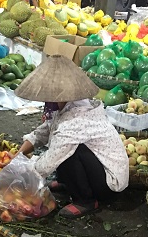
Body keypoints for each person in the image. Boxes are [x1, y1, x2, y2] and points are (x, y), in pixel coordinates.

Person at [15, 55, 129, 218]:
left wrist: (21, 176)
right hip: (96, 168)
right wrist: (20, 153)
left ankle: (86, 200)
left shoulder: (77, 119)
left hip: (109, 183)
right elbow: (45, 131)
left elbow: (49, 162)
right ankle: (68, 182)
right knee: (60, 142)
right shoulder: (65, 107)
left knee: (68, 150)